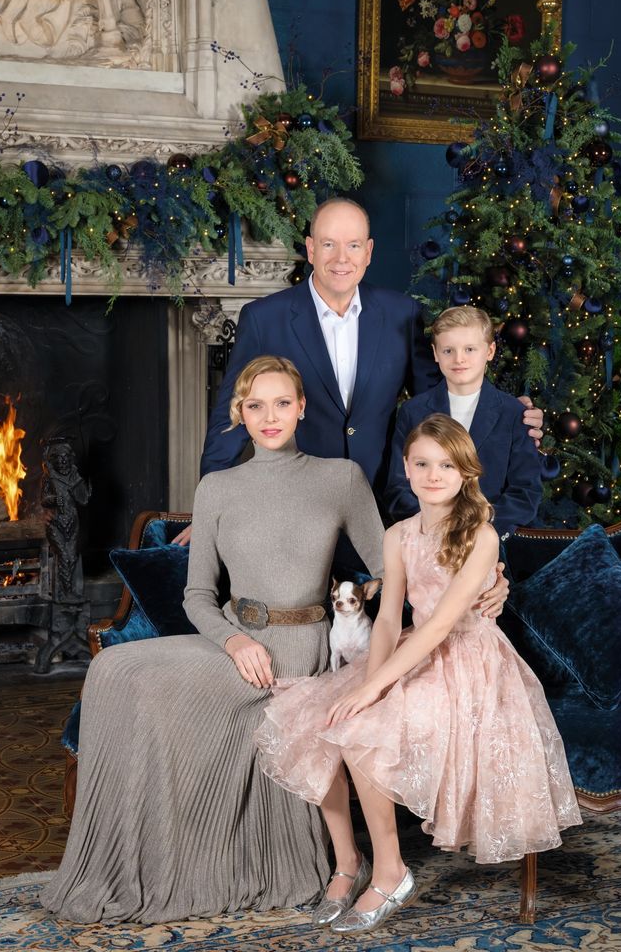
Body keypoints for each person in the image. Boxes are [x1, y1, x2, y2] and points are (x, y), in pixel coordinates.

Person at [40, 355, 386, 923]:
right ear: (240, 414)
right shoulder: (218, 487)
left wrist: (472, 577)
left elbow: (387, 569)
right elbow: (197, 596)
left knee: (140, 680)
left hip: (301, 649)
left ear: (302, 408)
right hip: (235, 643)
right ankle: (139, 859)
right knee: (114, 669)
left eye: (281, 403)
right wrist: (235, 642)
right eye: (255, 406)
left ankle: (306, 861)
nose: (269, 416)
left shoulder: (339, 478)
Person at [254, 414, 582, 935]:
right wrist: (369, 675)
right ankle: (347, 862)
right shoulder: (399, 535)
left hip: (469, 661)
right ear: (406, 468)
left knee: (361, 730)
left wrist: (374, 688)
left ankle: (392, 871)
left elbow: (441, 628)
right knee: (317, 718)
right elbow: (389, 618)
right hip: (412, 649)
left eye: (446, 465)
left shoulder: (481, 535)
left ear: (465, 471)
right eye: (423, 464)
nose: (433, 474)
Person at [177, 199, 541, 615]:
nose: (341, 258)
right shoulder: (265, 318)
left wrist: (509, 411)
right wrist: (209, 506)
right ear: (310, 249)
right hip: (301, 505)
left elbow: (436, 407)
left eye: (352, 246)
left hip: (381, 504)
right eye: (329, 245)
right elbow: (233, 412)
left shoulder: (402, 314)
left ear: (368, 252)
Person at [385, 306, 542, 540]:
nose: (459, 359)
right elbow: (398, 487)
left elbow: (525, 492)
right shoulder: (412, 412)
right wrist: (434, 528)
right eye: (448, 350)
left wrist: (476, 531)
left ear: (489, 351)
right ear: (435, 353)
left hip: (488, 541)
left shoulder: (515, 413)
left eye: (470, 349)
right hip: (426, 538)